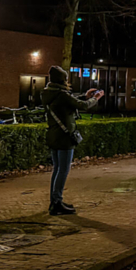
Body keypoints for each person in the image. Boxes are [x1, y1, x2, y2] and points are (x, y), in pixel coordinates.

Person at [41, 65, 103, 215]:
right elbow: (82, 106)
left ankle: (55, 201)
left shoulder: (49, 93)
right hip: (65, 137)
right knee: (63, 170)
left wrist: (84, 95)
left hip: (54, 135)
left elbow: (71, 102)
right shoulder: (61, 94)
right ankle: (57, 203)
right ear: (63, 80)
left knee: (57, 169)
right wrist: (95, 98)